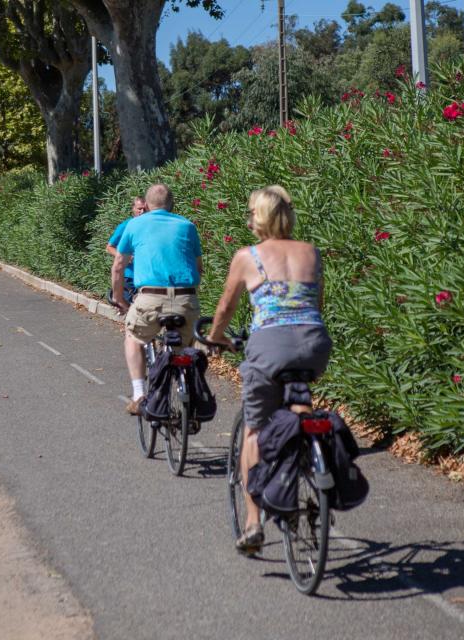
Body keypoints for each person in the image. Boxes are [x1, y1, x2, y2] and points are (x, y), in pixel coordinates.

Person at [206, 185, 332, 553]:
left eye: (250, 213)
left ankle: (253, 523)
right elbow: (316, 303)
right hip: (313, 343)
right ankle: (312, 456)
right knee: (298, 406)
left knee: (254, 431)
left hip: (269, 347)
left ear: (258, 218)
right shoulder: (312, 252)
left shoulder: (248, 256)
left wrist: (216, 337)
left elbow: (226, 308)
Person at [112, 183, 203, 415]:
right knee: (183, 348)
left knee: (133, 337)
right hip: (186, 299)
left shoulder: (135, 224)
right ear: (172, 204)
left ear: (147, 204)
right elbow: (198, 268)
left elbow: (118, 267)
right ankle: (188, 394)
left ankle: (139, 393)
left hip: (150, 299)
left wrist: (119, 299)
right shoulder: (187, 226)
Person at [106, 196, 147, 303]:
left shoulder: (150, 226)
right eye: (139, 209)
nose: (142, 212)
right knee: (132, 309)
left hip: (146, 277)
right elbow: (109, 247)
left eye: (144, 209)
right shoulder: (125, 226)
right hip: (129, 276)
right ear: (133, 209)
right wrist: (126, 257)